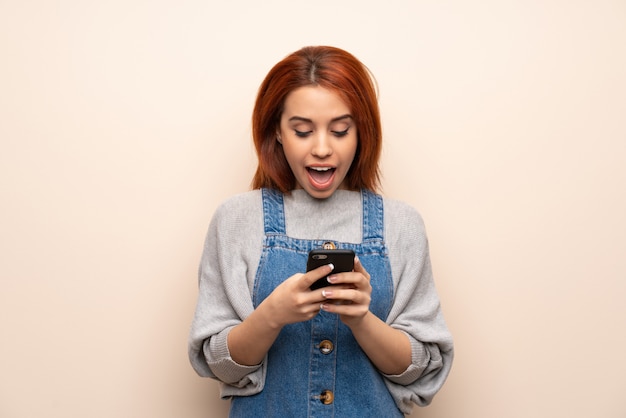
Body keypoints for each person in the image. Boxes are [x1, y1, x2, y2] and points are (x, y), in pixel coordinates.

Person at [188, 45, 453, 417]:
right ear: (277, 132)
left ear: (362, 133)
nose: (323, 148)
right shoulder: (236, 219)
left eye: (341, 130)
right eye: (302, 131)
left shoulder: (402, 225)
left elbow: (420, 371)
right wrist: (272, 315)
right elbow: (220, 366)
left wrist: (361, 319)